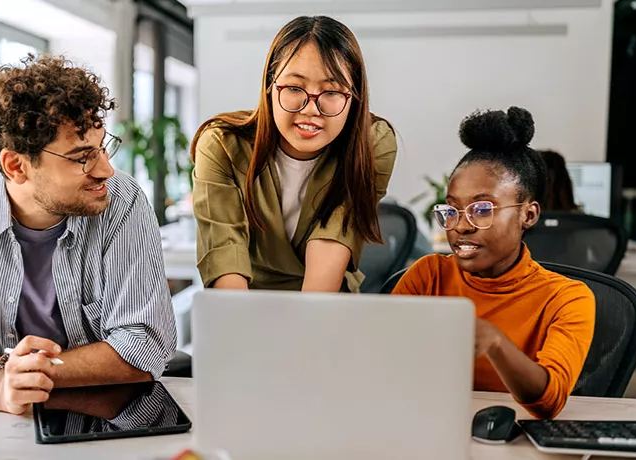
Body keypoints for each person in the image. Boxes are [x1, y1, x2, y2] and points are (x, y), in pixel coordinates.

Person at [0, 54, 177, 415]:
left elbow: (144, 346)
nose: (106, 169)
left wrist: (10, 370)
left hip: (98, 419)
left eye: (103, 147)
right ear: (16, 165)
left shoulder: (122, 201)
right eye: (81, 157)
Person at [391, 107, 595, 420]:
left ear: (528, 215)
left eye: (482, 209)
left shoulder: (567, 298)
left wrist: (495, 342)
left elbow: (549, 402)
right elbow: (382, 360)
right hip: (428, 426)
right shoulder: (429, 275)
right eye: (452, 210)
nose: (460, 226)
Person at [190, 15, 398, 293]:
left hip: (326, 303)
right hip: (248, 301)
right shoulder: (222, 143)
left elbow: (332, 239)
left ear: (354, 97)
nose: (310, 108)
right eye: (293, 88)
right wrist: (238, 326)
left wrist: (302, 331)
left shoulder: (373, 143)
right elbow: (224, 252)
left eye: (332, 91)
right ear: (269, 86)